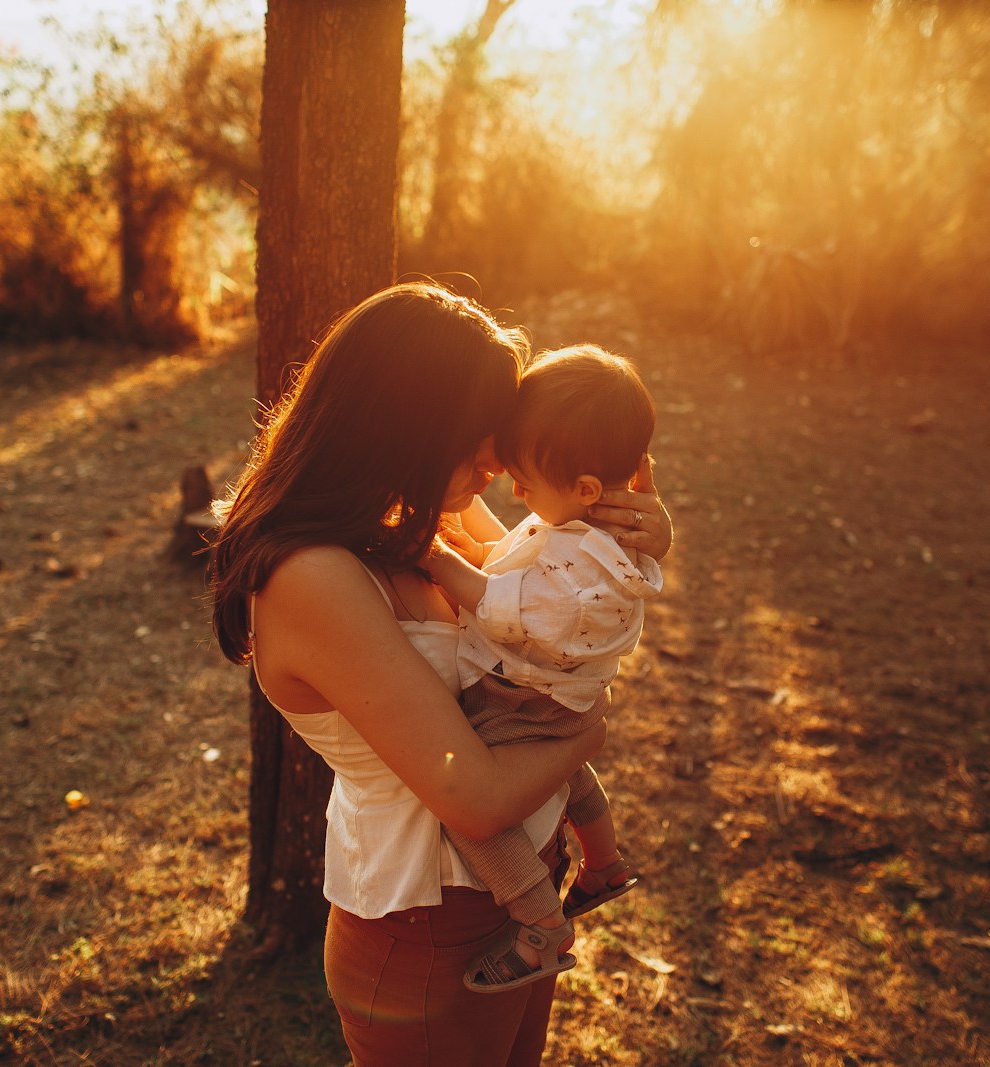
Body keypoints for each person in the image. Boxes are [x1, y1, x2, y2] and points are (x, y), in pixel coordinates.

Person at [208, 282, 672, 1066]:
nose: (496, 461)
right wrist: (590, 725)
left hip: (520, 896)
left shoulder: (426, 511)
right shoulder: (311, 576)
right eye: (477, 437)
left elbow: (549, 588)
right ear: (406, 425)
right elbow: (473, 795)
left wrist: (640, 535)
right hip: (425, 925)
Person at [422, 345, 660, 993]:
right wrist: (475, 551)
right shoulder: (587, 531)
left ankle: (539, 924)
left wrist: (441, 561)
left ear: (585, 488)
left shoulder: (585, 566)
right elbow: (516, 563)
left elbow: (510, 610)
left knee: (471, 812)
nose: (514, 488)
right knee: (568, 767)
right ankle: (605, 863)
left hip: (521, 698)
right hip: (562, 699)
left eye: (525, 479)